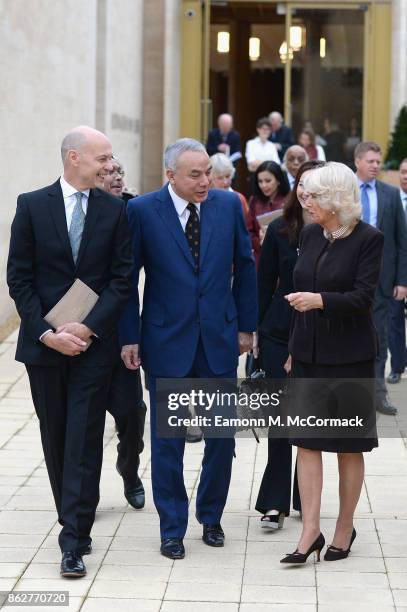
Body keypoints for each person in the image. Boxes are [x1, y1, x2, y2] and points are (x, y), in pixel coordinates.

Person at [119, 138, 257, 561]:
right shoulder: (142, 211)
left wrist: (248, 327)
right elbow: (127, 279)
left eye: (208, 174)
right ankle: (172, 528)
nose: (204, 182)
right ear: (170, 175)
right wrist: (130, 335)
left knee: (220, 438)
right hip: (166, 341)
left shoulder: (229, 205)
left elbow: (246, 265)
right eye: (194, 175)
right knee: (168, 443)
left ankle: (211, 517)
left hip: (218, 339)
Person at [7, 126, 133, 578]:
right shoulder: (32, 205)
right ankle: (71, 516)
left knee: (84, 437)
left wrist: (89, 327)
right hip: (45, 349)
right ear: (74, 157)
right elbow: (19, 278)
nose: (109, 164)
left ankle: (74, 536)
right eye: (103, 158)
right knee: (56, 436)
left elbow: (121, 280)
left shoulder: (114, 210)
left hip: (93, 347)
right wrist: (46, 332)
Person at [280, 162, 384, 565]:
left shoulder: (369, 239)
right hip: (307, 354)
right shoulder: (309, 233)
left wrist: (320, 301)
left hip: (349, 358)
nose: (306, 203)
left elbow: (363, 298)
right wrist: (292, 349)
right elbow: (298, 290)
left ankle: (344, 526)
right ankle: (310, 530)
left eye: (314, 197)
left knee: (346, 446)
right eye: (305, 196)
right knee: (306, 443)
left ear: (337, 199)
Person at [255, 160, 325, 529]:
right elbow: (263, 284)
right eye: (301, 183)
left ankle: (306, 497)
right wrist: (253, 333)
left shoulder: (340, 233)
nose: (305, 191)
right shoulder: (281, 230)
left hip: (322, 336)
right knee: (281, 420)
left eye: (314, 185)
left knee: (311, 421)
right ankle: (274, 501)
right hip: (279, 334)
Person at [97, 158, 146, 510]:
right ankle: (84, 495)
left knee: (133, 411)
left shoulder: (133, 211)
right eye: (108, 172)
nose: (116, 178)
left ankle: (129, 469)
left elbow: (130, 282)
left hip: (121, 332)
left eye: (120, 172)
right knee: (84, 422)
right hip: (82, 333)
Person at [355, 142, 407, 415]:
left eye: (379, 161)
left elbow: (401, 240)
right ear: (358, 162)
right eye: (371, 161)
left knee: (379, 338)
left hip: (382, 280)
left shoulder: (390, 194)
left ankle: (378, 395)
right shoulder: (345, 191)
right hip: (347, 278)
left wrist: (402, 280)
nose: (376, 165)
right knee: (348, 338)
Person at [387, 157, 407, 384]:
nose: (406, 176)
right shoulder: (391, 200)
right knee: (394, 320)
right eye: (403, 172)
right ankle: (397, 366)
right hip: (395, 272)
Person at [248, 161, 290, 266]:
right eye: (260, 181)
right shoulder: (254, 201)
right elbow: (248, 231)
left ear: (278, 180)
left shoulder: (290, 200)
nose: (263, 185)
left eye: (268, 181)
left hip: (284, 258)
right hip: (261, 259)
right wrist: (258, 242)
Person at [209, 153, 249, 219]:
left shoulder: (239, 198)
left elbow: (246, 226)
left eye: (227, 176)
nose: (225, 182)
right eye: (220, 178)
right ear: (211, 178)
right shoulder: (204, 199)